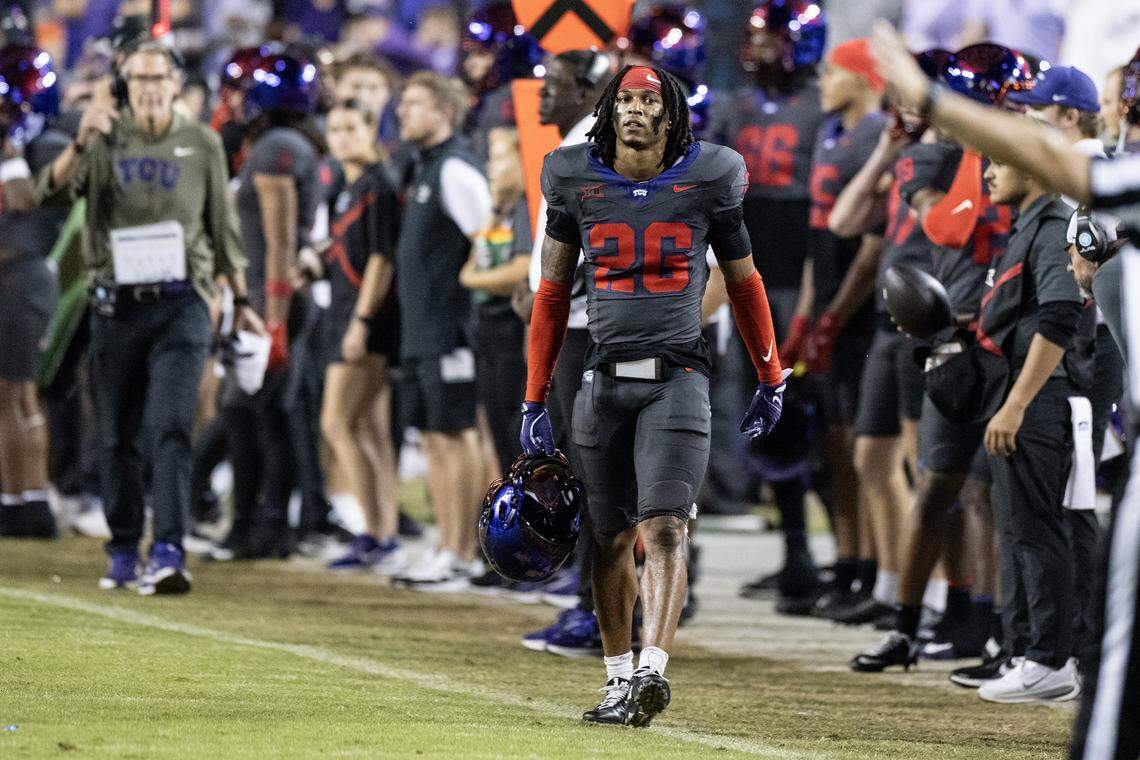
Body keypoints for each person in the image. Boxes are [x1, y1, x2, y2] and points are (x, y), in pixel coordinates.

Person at [867, 26, 1140, 749]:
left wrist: (1018, 400)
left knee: (1051, 528)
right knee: (1031, 522)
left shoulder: (1066, 204)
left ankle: (1049, 652)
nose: (992, 166)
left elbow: (1058, 311)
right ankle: (1032, 648)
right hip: (1064, 394)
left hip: (1065, 393)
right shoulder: (1042, 215)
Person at [522, 64, 786, 727]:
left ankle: (651, 671)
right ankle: (616, 677)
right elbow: (552, 295)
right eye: (627, 100)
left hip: (678, 375)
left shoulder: (711, 175)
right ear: (608, 111)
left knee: (665, 528)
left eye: (649, 100)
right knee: (607, 539)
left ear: (670, 115)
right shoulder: (572, 175)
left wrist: (771, 373)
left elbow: (746, 282)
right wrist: (532, 396)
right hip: (602, 376)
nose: (636, 109)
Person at [35, 40, 261, 593]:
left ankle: (168, 550)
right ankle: (122, 546)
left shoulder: (201, 142)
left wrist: (243, 302)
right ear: (123, 87)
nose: (150, 88)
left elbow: (221, 229)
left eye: (159, 77)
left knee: (170, 427)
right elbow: (50, 194)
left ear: (176, 82)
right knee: (116, 436)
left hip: (182, 302)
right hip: (115, 306)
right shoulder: (103, 139)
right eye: (139, 79)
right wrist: (82, 138)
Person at [710, 0, 829, 609]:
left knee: (799, 412)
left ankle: (809, 554)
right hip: (746, 271)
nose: (759, 52)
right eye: (755, 40)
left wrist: (812, 296)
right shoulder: (735, 106)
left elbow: (820, 214)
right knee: (754, 410)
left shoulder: (818, 108)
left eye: (772, 41)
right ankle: (794, 554)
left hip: (795, 274)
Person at [517, 49, 613, 657]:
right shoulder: (577, 147)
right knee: (585, 472)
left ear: (585, 90)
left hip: (588, 332)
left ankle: (596, 608)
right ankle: (590, 601)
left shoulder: (591, 155)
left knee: (595, 476)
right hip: (574, 327)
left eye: (553, 85)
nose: (541, 96)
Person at [793, 38, 887, 620]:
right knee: (832, 446)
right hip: (827, 299)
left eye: (833, 72)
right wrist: (806, 313)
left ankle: (873, 566)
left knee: (859, 447)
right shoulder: (830, 135)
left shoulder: (876, 135)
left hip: (859, 316)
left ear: (860, 76)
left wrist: (834, 314)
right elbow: (817, 240)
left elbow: (870, 244)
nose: (824, 80)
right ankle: (848, 560)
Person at [220, 48, 323, 560]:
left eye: (240, 89)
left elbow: (280, 243)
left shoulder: (275, 148)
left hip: (272, 301)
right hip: (272, 298)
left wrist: (274, 320)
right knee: (266, 416)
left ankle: (254, 528)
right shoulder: (288, 143)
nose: (233, 101)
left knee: (248, 415)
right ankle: (267, 527)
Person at [390, 71, 491, 591]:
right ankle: (445, 544)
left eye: (413, 102)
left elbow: (490, 237)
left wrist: (466, 307)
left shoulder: (454, 168)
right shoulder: (425, 166)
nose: (401, 111)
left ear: (443, 112)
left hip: (451, 328)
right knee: (434, 437)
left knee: (456, 435)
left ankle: (463, 550)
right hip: (423, 327)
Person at [311, 98, 404, 574]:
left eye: (353, 127)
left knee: (336, 423)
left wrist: (361, 321)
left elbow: (381, 259)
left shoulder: (377, 187)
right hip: (347, 313)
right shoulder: (347, 188)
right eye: (335, 128)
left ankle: (372, 530)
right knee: (366, 427)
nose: (342, 137)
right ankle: (382, 531)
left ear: (372, 131)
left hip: (363, 320)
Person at [0, 44, 70, 539]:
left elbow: (26, 203)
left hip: (25, 276)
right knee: (11, 394)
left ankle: (32, 500)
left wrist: (9, 151)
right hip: (17, 278)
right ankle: (18, 497)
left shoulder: (46, 147)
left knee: (18, 392)